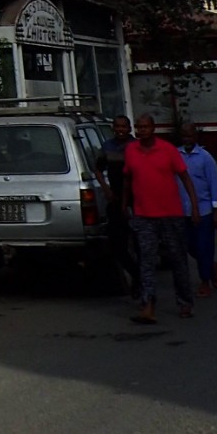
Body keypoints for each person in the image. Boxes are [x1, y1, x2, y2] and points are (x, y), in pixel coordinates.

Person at [124, 114, 199, 322]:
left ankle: (185, 302)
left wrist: (194, 207)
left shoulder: (168, 150)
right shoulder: (131, 150)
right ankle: (148, 304)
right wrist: (124, 205)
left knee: (177, 260)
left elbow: (185, 178)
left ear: (153, 128)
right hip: (143, 215)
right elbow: (128, 180)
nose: (142, 131)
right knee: (146, 261)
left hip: (171, 215)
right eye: (138, 127)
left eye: (145, 127)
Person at [178, 122, 217, 296]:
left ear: (196, 137)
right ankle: (212, 266)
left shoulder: (205, 157)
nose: (187, 139)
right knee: (190, 246)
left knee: (204, 246)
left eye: (190, 136)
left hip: (204, 210)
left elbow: (214, 184)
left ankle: (205, 281)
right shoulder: (176, 155)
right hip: (183, 210)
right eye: (184, 136)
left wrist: (216, 211)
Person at [98, 116, 139, 298]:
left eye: (124, 126)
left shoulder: (136, 146)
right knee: (117, 244)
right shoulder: (107, 146)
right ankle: (135, 275)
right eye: (117, 126)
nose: (120, 129)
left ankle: (142, 282)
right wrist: (106, 188)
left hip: (137, 198)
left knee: (140, 242)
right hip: (115, 198)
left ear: (129, 128)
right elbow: (97, 168)